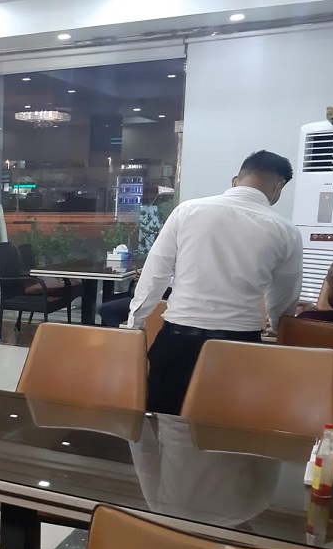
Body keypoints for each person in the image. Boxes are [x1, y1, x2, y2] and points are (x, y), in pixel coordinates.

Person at [127, 150, 302, 415]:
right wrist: (276, 327)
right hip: (240, 344)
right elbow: (284, 294)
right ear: (279, 187)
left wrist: (135, 324)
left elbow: (155, 273)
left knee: (162, 420)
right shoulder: (285, 230)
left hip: (178, 340)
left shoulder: (187, 211)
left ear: (235, 180)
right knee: (225, 423)